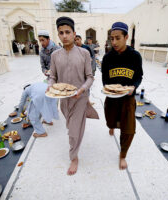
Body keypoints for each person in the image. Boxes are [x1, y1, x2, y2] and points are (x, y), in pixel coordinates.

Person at [48, 16, 98, 175]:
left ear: (74, 33)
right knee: (70, 127)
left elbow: (90, 77)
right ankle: (74, 143)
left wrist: (82, 90)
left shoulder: (84, 53)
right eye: (61, 33)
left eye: (67, 32)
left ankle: (74, 157)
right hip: (64, 100)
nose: (64, 36)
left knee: (74, 131)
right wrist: (50, 87)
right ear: (58, 35)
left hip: (80, 98)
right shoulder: (55, 55)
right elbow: (53, 77)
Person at [101, 22, 143, 170]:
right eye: (111, 38)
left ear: (126, 37)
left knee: (129, 129)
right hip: (111, 99)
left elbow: (139, 76)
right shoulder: (107, 58)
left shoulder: (135, 56)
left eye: (117, 38)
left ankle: (122, 155)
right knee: (111, 122)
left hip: (128, 98)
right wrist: (109, 88)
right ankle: (113, 126)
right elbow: (105, 79)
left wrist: (134, 86)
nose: (114, 42)